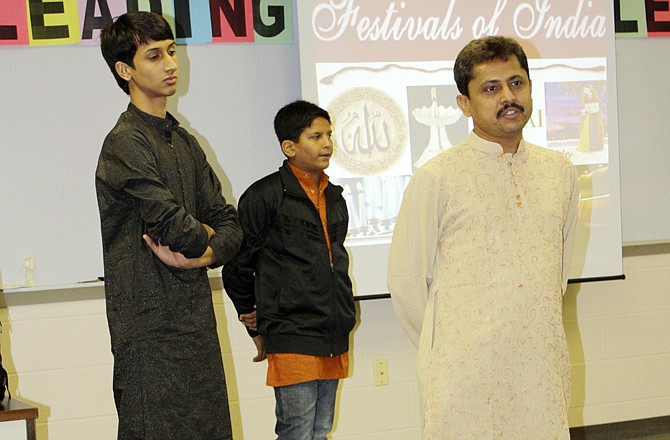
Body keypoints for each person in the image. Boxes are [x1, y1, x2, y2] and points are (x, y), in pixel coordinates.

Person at [387, 36, 579, 439]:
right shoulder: (437, 177)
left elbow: (557, 272)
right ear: (464, 104)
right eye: (491, 89)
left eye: (516, 83)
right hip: (463, 374)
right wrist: (449, 349)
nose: (508, 96)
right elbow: (406, 282)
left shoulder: (559, 171)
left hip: (539, 367)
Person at [95, 11, 243, 440]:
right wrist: (206, 241)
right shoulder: (124, 142)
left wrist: (210, 250)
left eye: (172, 52)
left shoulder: (183, 141)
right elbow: (175, 227)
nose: (171, 64)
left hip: (195, 324)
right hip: (148, 332)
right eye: (155, 56)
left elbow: (228, 221)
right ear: (125, 70)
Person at [222, 100, 356, 440]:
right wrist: (249, 311)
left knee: (321, 430)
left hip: (332, 330)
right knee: (297, 431)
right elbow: (237, 266)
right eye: (315, 136)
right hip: (292, 331)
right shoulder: (264, 196)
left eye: (329, 134)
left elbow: (332, 261)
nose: (327, 143)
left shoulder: (335, 197)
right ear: (289, 146)